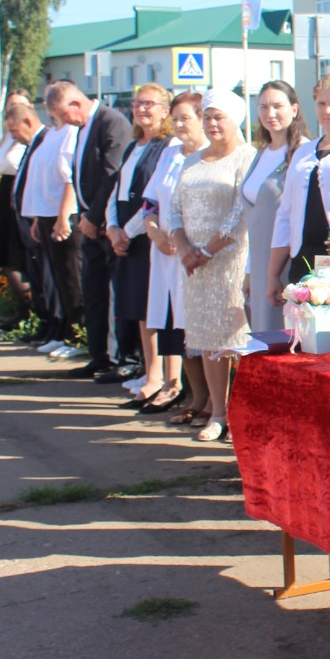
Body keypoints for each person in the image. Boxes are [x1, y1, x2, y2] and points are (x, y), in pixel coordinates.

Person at [166, 89, 258, 442]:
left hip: (230, 260)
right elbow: (175, 208)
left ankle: (241, 414)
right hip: (195, 265)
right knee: (207, 338)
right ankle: (217, 412)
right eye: (207, 117)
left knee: (236, 338)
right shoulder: (192, 161)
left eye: (219, 116)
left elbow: (240, 213)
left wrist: (206, 251)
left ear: (236, 119)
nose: (212, 123)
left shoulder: (246, 157)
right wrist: (185, 249)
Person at [46, 80, 129, 379]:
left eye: (62, 115)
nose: (63, 121)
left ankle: (120, 357)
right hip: (89, 221)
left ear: (75, 104)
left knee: (113, 295)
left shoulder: (110, 122)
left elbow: (111, 174)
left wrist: (94, 218)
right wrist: (83, 215)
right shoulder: (82, 127)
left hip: (107, 224)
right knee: (93, 291)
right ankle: (99, 356)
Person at [141, 93, 208, 425]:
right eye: (176, 118)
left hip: (195, 254)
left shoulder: (209, 155)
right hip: (164, 254)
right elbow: (150, 202)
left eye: (186, 118)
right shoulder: (169, 154)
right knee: (176, 327)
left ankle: (212, 403)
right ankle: (196, 397)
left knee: (196, 327)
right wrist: (154, 231)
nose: (179, 125)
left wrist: (182, 243)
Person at [104, 84, 175, 397]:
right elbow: (117, 190)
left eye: (149, 103)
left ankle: (163, 378)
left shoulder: (167, 146)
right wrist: (111, 227)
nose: (141, 108)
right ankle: (149, 372)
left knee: (154, 308)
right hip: (126, 235)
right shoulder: (134, 145)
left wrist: (128, 231)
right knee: (137, 306)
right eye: (137, 103)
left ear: (165, 110)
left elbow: (152, 198)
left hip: (148, 235)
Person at [269, 71, 330, 296]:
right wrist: (273, 274)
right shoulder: (304, 151)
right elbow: (285, 214)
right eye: (321, 104)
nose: (327, 111)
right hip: (304, 257)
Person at [242, 80, 309, 333]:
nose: (270, 113)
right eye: (263, 107)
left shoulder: (303, 152)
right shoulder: (260, 153)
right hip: (259, 262)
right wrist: (250, 271)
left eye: (277, 106)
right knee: (262, 334)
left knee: (285, 334)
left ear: (294, 109)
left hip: (286, 262)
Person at [21, 93, 82, 360]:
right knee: (59, 279)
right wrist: (37, 216)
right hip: (46, 214)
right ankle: (64, 332)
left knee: (72, 278)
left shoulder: (70, 133)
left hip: (62, 215)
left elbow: (69, 177)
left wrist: (63, 216)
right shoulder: (52, 133)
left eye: (53, 102)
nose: (49, 107)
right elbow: (41, 176)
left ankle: (78, 335)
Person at [4, 99, 58, 347]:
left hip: (41, 222)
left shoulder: (45, 141)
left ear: (27, 121)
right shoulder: (32, 144)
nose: (14, 137)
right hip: (30, 225)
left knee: (48, 280)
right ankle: (45, 326)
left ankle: (55, 328)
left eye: (15, 130)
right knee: (38, 279)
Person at [0, 90, 33, 331]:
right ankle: (21, 311)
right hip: (6, 193)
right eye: (10, 106)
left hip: (22, 193)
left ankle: (31, 311)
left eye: (19, 105)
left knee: (20, 256)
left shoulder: (31, 136)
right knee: (6, 257)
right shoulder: (8, 135)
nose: (13, 110)